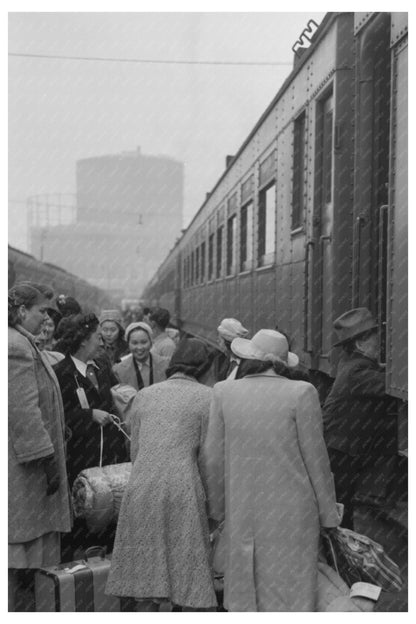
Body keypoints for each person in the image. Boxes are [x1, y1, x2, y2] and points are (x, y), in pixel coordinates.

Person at [200, 329, 340, 612]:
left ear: (248, 358)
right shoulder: (302, 392)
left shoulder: (224, 392)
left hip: (243, 510)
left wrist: (217, 511)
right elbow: (317, 461)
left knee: (247, 593)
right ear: (282, 363)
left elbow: (212, 459)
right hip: (294, 514)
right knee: (291, 593)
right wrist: (329, 517)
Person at [106, 338, 218, 612]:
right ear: (203, 367)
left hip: (142, 484)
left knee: (145, 574)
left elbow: (136, 447)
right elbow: (209, 458)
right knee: (188, 573)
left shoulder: (145, 394)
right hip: (184, 487)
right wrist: (214, 507)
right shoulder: (208, 397)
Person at [8, 284, 72, 611]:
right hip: (26, 472)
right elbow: (22, 410)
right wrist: (46, 459)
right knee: (21, 553)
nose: (46, 318)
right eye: (42, 311)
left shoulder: (20, 343)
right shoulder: (16, 347)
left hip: (24, 467)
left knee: (25, 552)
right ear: (22, 311)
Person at [53, 312, 129, 560]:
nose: (102, 341)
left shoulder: (103, 367)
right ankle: (81, 569)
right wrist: (88, 415)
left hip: (109, 455)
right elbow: (57, 414)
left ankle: (105, 569)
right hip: (81, 457)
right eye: (97, 336)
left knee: (110, 509)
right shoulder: (60, 372)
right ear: (84, 340)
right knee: (86, 508)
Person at [323, 308, 398, 530]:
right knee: (341, 508)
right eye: (375, 337)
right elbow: (389, 384)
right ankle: (342, 557)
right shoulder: (358, 372)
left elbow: (378, 371)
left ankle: (340, 554)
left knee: (341, 504)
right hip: (340, 451)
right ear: (360, 343)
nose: (380, 342)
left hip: (339, 448)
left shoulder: (352, 363)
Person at [112, 321, 169, 391]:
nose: (139, 347)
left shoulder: (166, 365)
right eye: (134, 343)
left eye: (144, 342)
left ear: (151, 343)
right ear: (128, 345)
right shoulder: (118, 370)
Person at [212, 317, 249, 382]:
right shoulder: (220, 359)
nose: (217, 341)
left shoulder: (248, 364)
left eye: (220, 340)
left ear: (228, 343)